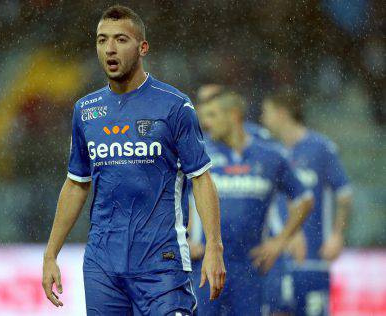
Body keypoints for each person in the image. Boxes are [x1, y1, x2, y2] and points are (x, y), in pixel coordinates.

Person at [41, 5, 226, 315]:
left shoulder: (174, 106)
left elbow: (201, 179)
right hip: (103, 265)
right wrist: (50, 255)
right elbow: (76, 184)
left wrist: (214, 248)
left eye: (121, 39)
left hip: (161, 264)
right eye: (102, 40)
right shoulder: (86, 111)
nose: (109, 49)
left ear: (142, 48)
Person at [189, 91, 313, 315]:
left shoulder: (269, 157)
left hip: (251, 268)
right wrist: (182, 240)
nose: (206, 123)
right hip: (205, 267)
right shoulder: (199, 153)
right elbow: (169, 198)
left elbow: (305, 199)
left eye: (213, 115)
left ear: (234, 115)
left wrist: (281, 240)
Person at [261, 88, 353, 316]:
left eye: (267, 112)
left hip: (313, 256)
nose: (263, 118)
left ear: (282, 113)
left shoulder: (320, 148)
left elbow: (344, 194)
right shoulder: (269, 151)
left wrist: (337, 235)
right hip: (277, 256)